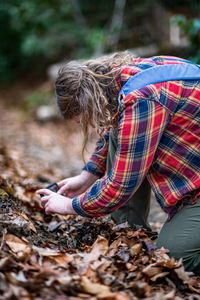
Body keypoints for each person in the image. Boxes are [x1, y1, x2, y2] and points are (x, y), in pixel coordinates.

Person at [37, 52, 200, 274]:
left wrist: (68, 206)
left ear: (89, 103)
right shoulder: (131, 78)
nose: (92, 125)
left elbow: (120, 185)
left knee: (175, 257)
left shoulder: (142, 99)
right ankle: (129, 232)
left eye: (86, 120)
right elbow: (116, 130)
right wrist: (87, 177)